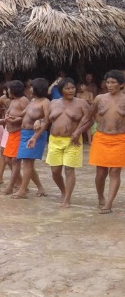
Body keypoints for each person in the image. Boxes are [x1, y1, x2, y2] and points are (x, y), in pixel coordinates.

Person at [75, 70, 125, 214]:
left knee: (115, 172)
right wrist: (77, 131)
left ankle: (108, 203)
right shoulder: (99, 98)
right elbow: (88, 117)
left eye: (113, 82)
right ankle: (101, 197)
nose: (109, 85)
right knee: (100, 173)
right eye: (108, 82)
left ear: (121, 84)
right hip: (101, 138)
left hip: (120, 139)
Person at [44, 78, 90, 208]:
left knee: (69, 169)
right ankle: (63, 191)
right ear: (61, 90)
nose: (71, 90)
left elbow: (89, 120)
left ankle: (67, 198)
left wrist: (78, 132)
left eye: (72, 88)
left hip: (73, 141)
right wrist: (37, 124)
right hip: (54, 140)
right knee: (55, 171)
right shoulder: (53, 102)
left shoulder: (81, 103)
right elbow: (46, 120)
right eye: (67, 88)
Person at [11, 78, 50, 199]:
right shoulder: (32, 101)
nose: (30, 89)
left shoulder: (46, 102)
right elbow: (22, 115)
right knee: (28, 163)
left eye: (32, 87)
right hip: (25, 134)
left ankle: (22, 190)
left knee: (27, 162)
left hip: (35, 135)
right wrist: (3, 119)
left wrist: (35, 136)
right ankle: (40, 188)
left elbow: (47, 121)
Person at [0, 81, 29, 195]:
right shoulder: (13, 101)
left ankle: (11, 186)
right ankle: (21, 183)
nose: (7, 92)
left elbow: (28, 116)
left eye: (8, 89)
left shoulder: (23, 100)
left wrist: (15, 120)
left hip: (19, 133)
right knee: (8, 160)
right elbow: (8, 117)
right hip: (11, 134)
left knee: (15, 161)